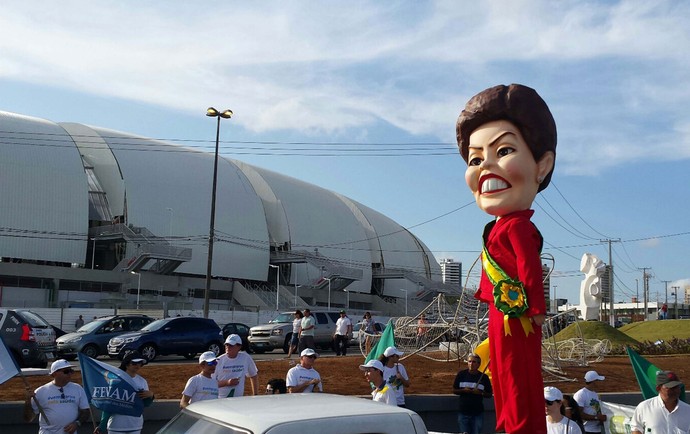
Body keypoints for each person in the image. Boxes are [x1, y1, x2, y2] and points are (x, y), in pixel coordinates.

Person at [457, 83, 556, 434]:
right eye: (475, 158)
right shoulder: (499, 225)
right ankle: (508, 423)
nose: (486, 167)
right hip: (501, 311)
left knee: (517, 373)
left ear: (542, 165)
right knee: (500, 370)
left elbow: (530, 267)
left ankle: (521, 426)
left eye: (504, 150)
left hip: (519, 314)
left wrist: (537, 309)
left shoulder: (518, 226)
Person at [23, 359, 90, 434]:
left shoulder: (78, 389)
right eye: (66, 372)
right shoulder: (40, 391)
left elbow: (86, 411)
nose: (70, 374)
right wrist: (28, 399)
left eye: (71, 371)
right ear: (54, 374)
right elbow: (28, 418)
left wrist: (77, 423)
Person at [96, 350, 154, 434]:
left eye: (140, 363)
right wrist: (102, 425)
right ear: (126, 364)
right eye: (134, 363)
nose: (137, 365)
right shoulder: (115, 380)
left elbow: (145, 404)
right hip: (116, 426)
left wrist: (151, 396)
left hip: (135, 426)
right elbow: (109, 405)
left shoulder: (142, 381)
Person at [452, 353, 493, 434]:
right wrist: (464, 391)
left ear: (478, 364)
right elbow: (454, 390)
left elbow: (489, 394)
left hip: (477, 413)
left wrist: (480, 393)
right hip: (463, 412)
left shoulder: (484, 377)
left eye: (474, 362)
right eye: (469, 361)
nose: (471, 364)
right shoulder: (461, 375)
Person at [215, 334, 259, 398]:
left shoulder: (245, 358)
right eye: (227, 345)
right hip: (221, 400)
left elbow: (253, 375)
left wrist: (255, 395)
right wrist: (227, 383)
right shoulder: (218, 361)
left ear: (239, 347)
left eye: (231, 345)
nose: (228, 347)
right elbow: (210, 383)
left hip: (238, 400)